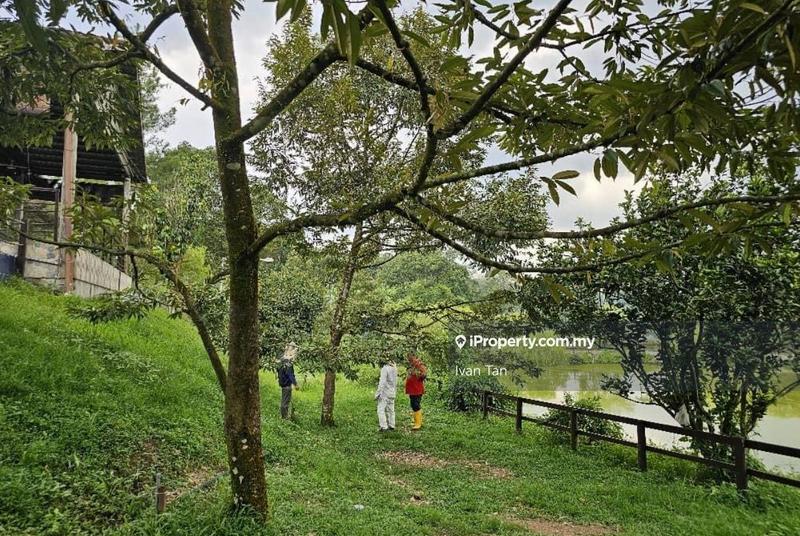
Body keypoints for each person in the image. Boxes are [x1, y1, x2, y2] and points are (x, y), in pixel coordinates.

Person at [404, 354, 427, 431]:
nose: (409, 360)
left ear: (415, 358)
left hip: (417, 389)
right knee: (413, 405)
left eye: (411, 359)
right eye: (409, 359)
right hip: (412, 389)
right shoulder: (411, 366)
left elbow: (424, 375)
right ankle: (416, 422)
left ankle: (418, 424)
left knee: (416, 405)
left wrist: (419, 374)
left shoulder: (419, 365)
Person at [277, 342, 299, 419]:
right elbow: (290, 375)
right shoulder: (288, 364)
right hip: (286, 385)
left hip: (282, 384)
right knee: (285, 402)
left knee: (284, 400)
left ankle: (284, 416)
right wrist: (295, 384)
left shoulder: (281, 361)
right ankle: (284, 418)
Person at [375, 358, 398, 432]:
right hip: (392, 391)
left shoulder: (385, 369)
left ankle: (384, 426)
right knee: (391, 410)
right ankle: (392, 425)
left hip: (385, 392)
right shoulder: (394, 368)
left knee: (380, 409)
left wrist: (378, 393)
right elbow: (395, 381)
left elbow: (382, 382)